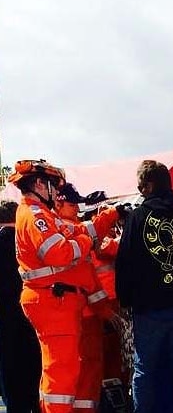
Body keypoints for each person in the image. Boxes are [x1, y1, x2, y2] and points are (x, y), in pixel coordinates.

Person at [8, 159, 98, 413]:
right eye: (52, 186)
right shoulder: (35, 215)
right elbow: (60, 252)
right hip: (52, 300)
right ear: (39, 183)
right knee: (62, 372)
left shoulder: (39, 213)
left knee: (60, 369)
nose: (56, 192)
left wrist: (94, 226)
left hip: (54, 299)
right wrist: (85, 241)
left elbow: (72, 232)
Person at [115, 160, 173, 413]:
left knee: (144, 370)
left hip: (150, 307)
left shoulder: (138, 217)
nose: (139, 189)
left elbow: (125, 262)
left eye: (141, 185)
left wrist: (124, 301)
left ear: (150, 185)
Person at [53, 183, 122, 413]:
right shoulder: (74, 233)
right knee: (87, 367)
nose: (76, 208)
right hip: (88, 311)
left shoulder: (64, 230)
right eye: (72, 204)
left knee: (87, 368)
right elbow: (91, 271)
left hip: (87, 309)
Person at [0, 199, 42, 413]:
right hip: (32, 315)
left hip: (5, 323)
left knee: (11, 380)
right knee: (34, 375)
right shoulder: (26, 242)